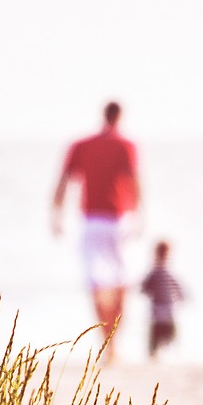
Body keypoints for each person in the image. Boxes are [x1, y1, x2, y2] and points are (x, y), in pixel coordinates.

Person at [52, 101, 141, 362]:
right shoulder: (126, 145)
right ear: (120, 117)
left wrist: (56, 215)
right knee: (121, 283)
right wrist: (140, 215)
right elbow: (135, 182)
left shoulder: (81, 145)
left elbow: (63, 182)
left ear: (103, 115)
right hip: (119, 220)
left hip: (91, 222)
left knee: (97, 283)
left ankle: (107, 343)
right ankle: (114, 343)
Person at [141, 239, 185, 359]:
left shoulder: (156, 272)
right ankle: (161, 354)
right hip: (165, 309)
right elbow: (178, 288)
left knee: (160, 334)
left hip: (161, 309)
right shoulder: (163, 272)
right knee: (165, 333)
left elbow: (144, 288)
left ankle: (159, 354)